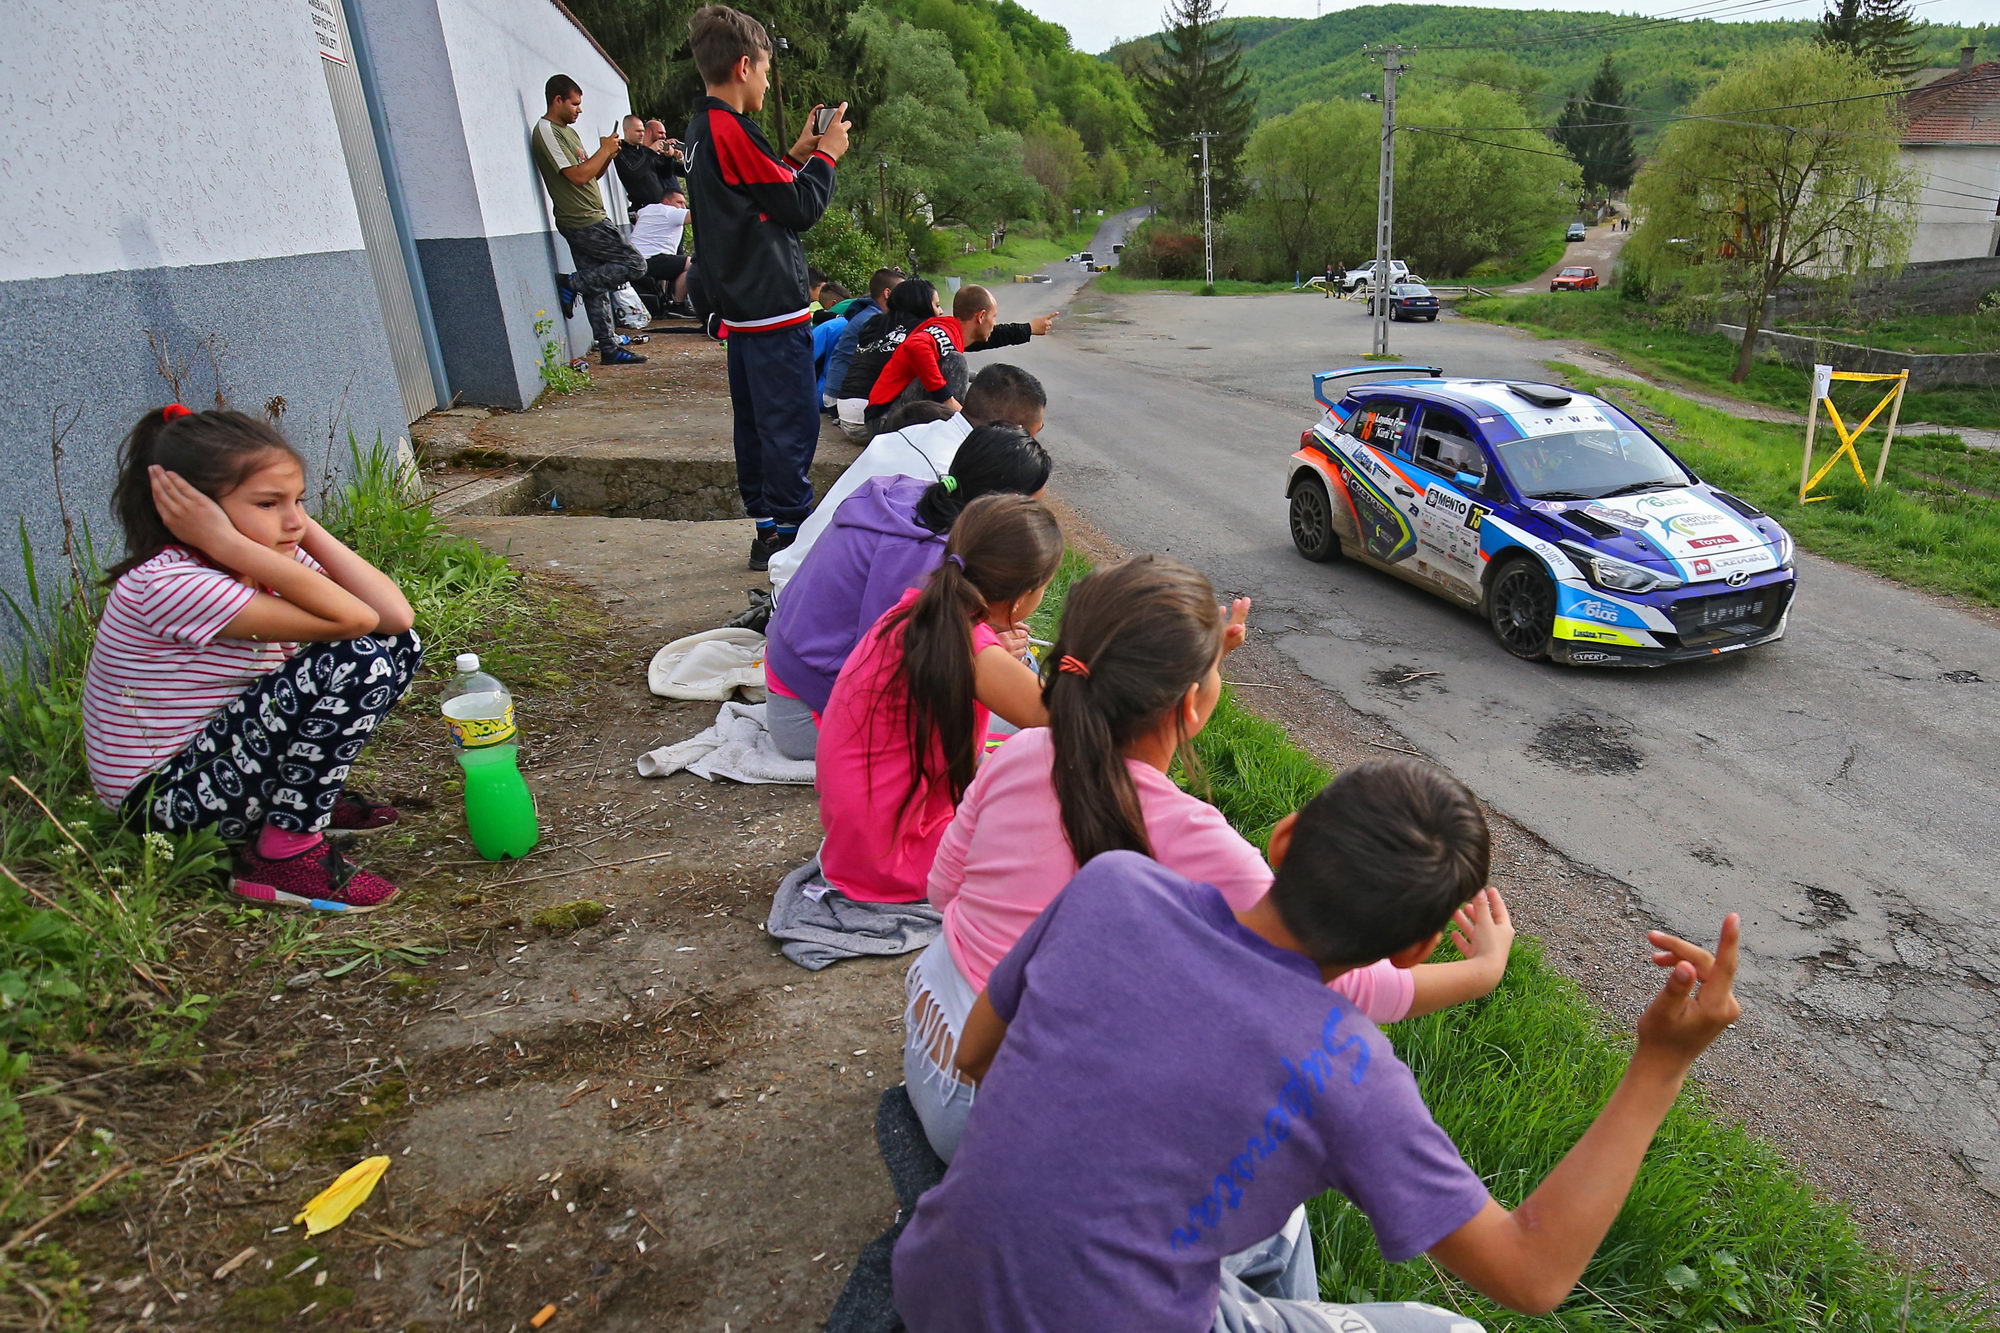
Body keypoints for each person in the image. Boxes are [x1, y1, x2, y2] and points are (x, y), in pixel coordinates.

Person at [891, 757, 1744, 1333]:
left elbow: (975, 1056)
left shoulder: (1115, 885)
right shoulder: (1345, 1067)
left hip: (934, 1285)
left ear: (1287, 834)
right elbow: (1532, 1272)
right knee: (1449, 1328)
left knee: (1271, 1228)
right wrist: (1660, 1061)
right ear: (1410, 950)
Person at [899, 557, 1515, 1162]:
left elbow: (942, 888)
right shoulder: (1194, 836)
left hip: (930, 1031)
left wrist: (1196, 666)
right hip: (997, 1116)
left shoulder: (1020, 749)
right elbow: (1340, 977)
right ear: (1189, 705)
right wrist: (1482, 971)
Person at [82, 406, 423, 913]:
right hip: (165, 804)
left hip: (213, 768)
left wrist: (293, 526)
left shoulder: (265, 558)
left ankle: (294, 807)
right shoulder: (170, 583)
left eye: (299, 501)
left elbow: (394, 616)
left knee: (400, 645)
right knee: (359, 658)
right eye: (268, 503)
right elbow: (353, 623)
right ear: (195, 510)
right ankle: (285, 854)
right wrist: (221, 539)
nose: (293, 520)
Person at [815, 494, 1062, 904]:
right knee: (1059, 789)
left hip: (858, 833)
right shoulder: (972, 648)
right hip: (896, 855)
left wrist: (996, 648)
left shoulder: (921, 611)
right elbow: (1065, 714)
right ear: (1023, 597)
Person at [764, 424, 1052, 760]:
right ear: (1000, 506)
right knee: (1034, 734)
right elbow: (885, 676)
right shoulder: (928, 560)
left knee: (1022, 690)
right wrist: (980, 655)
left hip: (797, 682)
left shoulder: (914, 498)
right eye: (1032, 509)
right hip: (807, 717)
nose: (1035, 521)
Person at [682, 5, 850, 571]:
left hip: (742, 312)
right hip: (771, 312)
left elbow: (755, 189)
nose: (768, 80)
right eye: (766, 70)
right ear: (744, 65)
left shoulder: (702, 128)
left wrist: (799, 154)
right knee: (791, 427)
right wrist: (827, 155)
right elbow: (798, 206)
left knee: (755, 427)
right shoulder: (729, 128)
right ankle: (792, 539)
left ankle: (766, 528)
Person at [768, 362, 1046, 596]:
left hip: (793, 582)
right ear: (1014, 430)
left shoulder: (920, 434)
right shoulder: (953, 471)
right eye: (1032, 435)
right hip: (814, 609)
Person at [838, 282, 1057, 439]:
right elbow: (916, 346)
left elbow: (950, 365)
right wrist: (947, 399)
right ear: (981, 316)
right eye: (994, 317)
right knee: (957, 363)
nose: (994, 322)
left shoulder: (949, 334)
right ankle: (957, 437)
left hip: (883, 416)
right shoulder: (942, 331)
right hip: (883, 420)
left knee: (965, 369)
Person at [530, 76, 647, 367]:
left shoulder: (569, 133)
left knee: (598, 285)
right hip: (582, 219)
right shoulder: (546, 131)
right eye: (574, 104)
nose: (579, 110)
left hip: (590, 214)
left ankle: (608, 348)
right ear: (557, 100)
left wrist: (608, 155)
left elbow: (591, 174)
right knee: (636, 264)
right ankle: (572, 282)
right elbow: (576, 176)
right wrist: (604, 151)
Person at [821, 266, 904, 417]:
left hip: (836, 393)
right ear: (887, 293)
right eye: (903, 292)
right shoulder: (873, 320)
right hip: (841, 398)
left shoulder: (869, 313)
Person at [629, 187, 696, 315]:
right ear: (666, 201)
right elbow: (697, 217)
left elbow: (637, 216)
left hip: (635, 260)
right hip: (650, 260)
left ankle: (667, 302)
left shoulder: (647, 209)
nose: (683, 206)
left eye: (684, 203)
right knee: (695, 264)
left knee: (672, 261)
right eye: (679, 202)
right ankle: (678, 306)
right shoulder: (670, 211)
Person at [613, 114, 678, 222]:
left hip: (660, 208)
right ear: (626, 130)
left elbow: (665, 173)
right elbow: (635, 172)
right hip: (644, 210)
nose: (642, 134)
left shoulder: (644, 150)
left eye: (643, 131)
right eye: (638, 131)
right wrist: (650, 151)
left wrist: (668, 157)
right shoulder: (621, 152)